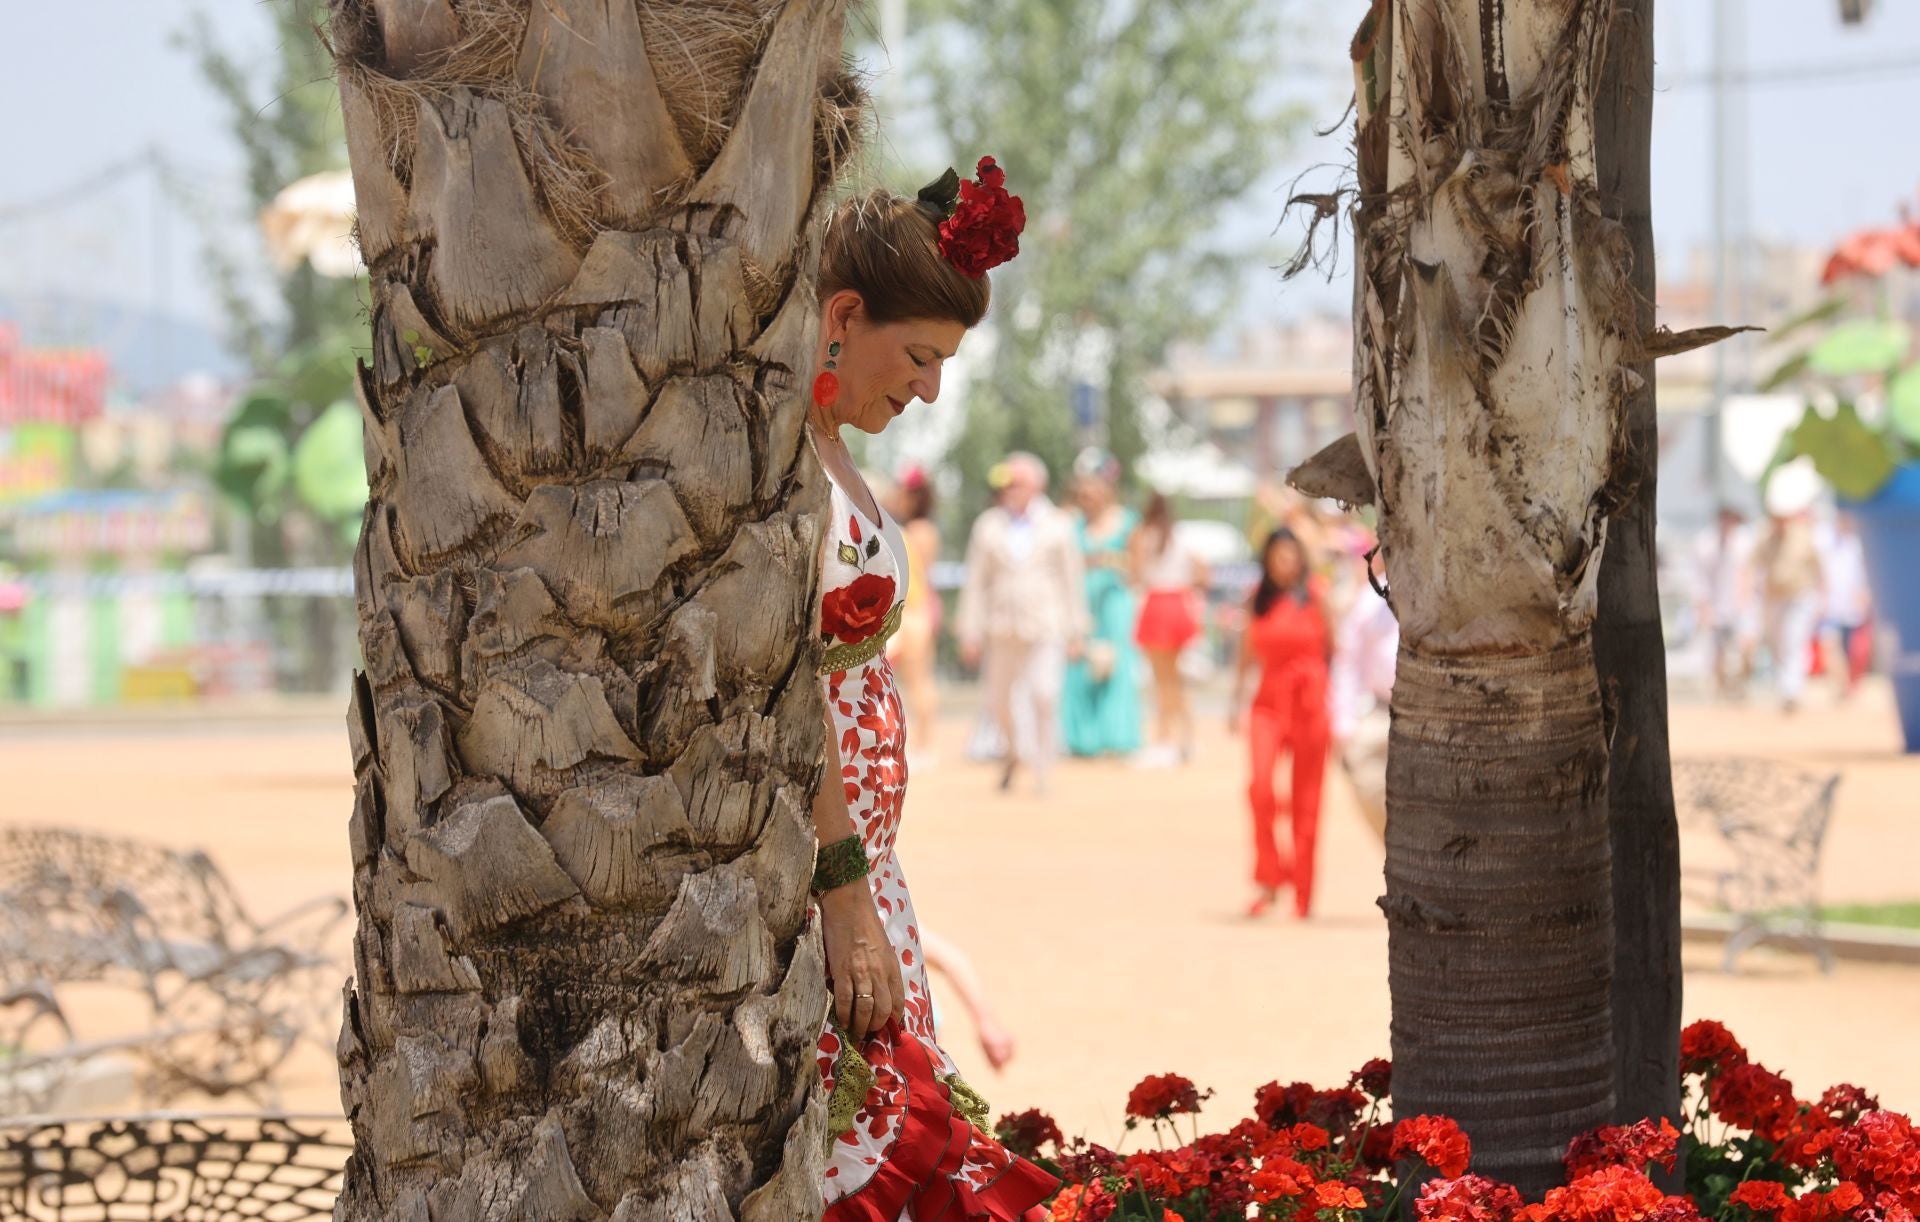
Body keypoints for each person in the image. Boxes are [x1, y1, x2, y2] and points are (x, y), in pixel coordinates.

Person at [804, 162, 1055, 1220]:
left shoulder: (834, 460)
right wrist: (843, 888)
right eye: (918, 356)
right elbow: (788, 697)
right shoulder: (781, 472)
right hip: (822, 884)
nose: (929, 389)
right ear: (842, 316)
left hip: (867, 877)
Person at [956, 452, 1089, 797]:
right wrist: (969, 629)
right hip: (1001, 627)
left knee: (1045, 694)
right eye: (1006, 483)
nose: (1009, 489)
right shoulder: (988, 524)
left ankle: (1044, 770)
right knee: (998, 701)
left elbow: (1072, 581)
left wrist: (1077, 630)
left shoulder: (1058, 524)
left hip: (1046, 625)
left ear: (1036, 485)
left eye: (1016, 482)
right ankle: (1014, 753)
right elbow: (976, 580)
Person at [1229, 528, 1333, 919]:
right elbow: (1245, 651)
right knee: (1259, 789)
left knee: (1308, 800)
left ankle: (1303, 892)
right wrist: (1234, 698)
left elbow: (1334, 651)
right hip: (1268, 703)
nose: (1284, 563)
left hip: (1309, 703)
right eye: (1277, 556)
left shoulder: (1316, 595)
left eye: (1290, 556)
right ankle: (1269, 876)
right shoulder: (1259, 598)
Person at [1061, 449, 1144, 758]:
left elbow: (1137, 571)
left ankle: (1117, 736)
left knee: (1117, 667)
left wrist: (1109, 561)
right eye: (1082, 489)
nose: (1087, 495)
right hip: (1081, 601)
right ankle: (1082, 739)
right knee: (1079, 667)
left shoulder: (1127, 522)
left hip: (1114, 602)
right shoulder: (1069, 522)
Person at [1131, 491, 1209, 767]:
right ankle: (1186, 737)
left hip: (1157, 604)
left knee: (1161, 680)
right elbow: (1202, 570)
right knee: (1174, 678)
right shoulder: (1181, 535)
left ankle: (1164, 740)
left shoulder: (1142, 535)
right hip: (1179, 603)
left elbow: (1135, 574)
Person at [1328, 536, 1396, 842]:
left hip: (1433, 715)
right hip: (1381, 710)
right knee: (1363, 775)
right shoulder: (1371, 596)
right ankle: (1396, 850)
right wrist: (1344, 722)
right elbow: (1348, 661)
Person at [885, 464, 945, 766]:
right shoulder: (916, 528)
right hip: (915, 610)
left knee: (919, 679)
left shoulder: (919, 531)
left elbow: (919, 576)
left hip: (915, 611)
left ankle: (926, 745)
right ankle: (921, 744)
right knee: (913, 680)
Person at [1754, 508, 1825, 714]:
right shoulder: (1765, 538)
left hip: (1799, 596)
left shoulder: (1804, 536)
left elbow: (1819, 567)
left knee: (1793, 641)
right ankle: (1785, 687)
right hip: (1773, 598)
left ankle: (1791, 692)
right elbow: (1752, 564)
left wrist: (1824, 596)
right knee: (1777, 644)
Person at [1694, 506, 1757, 700]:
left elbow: (1751, 572)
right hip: (1716, 606)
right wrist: (1704, 608)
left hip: (1743, 605)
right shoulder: (1705, 543)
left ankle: (1741, 684)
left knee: (1747, 648)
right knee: (1717, 652)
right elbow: (1699, 578)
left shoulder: (1746, 541)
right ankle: (1721, 691)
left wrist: (1746, 600)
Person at [1817, 511, 1873, 700]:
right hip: (1829, 606)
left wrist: (1865, 596)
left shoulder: (1857, 544)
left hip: (1851, 607)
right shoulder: (1822, 540)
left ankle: (1847, 686)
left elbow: (1865, 574)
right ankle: (1840, 685)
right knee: (1829, 645)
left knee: (1851, 652)